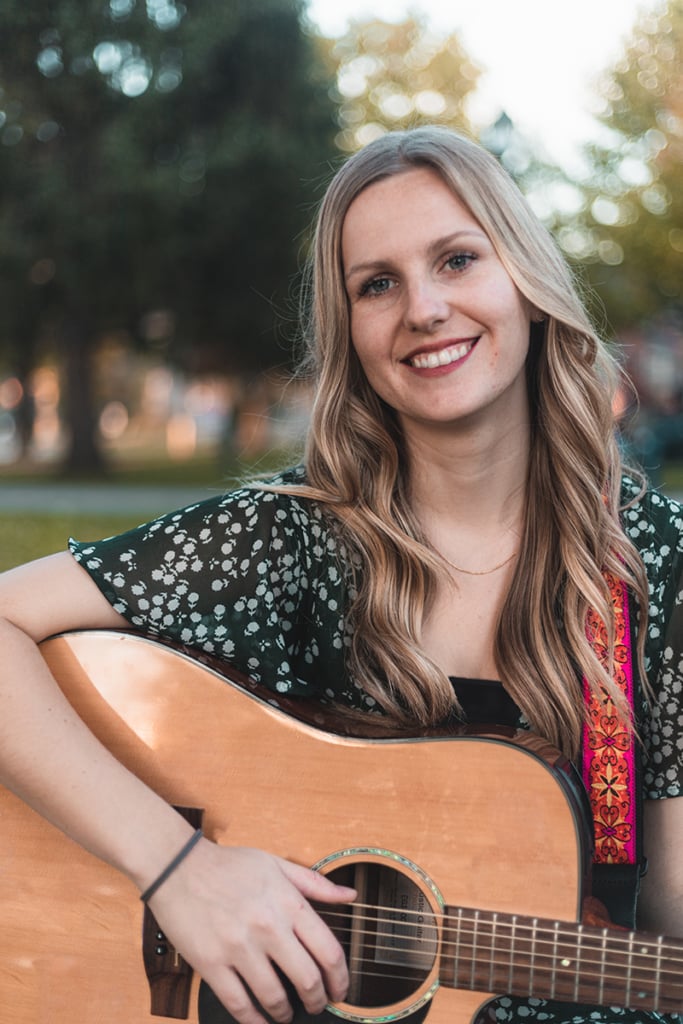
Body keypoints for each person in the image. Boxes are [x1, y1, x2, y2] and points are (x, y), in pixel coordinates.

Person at [0, 125, 682, 1024]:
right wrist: (178, 870)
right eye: (377, 284)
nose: (424, 310)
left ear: (524, 279)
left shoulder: (650, 557)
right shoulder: (289, 538)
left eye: (456, 259)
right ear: (349, 327)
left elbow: (665, 925)